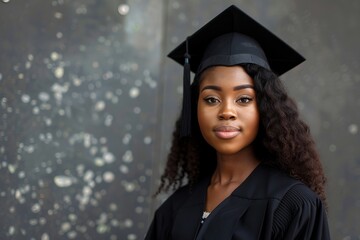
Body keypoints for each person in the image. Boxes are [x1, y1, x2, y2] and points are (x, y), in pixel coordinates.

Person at [145, 5, 330, 240]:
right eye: (211, 99)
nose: (226, 112)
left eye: (243, 99)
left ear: (264, 108)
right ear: (195, 109)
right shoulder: (174, 209)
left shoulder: (294, 204)